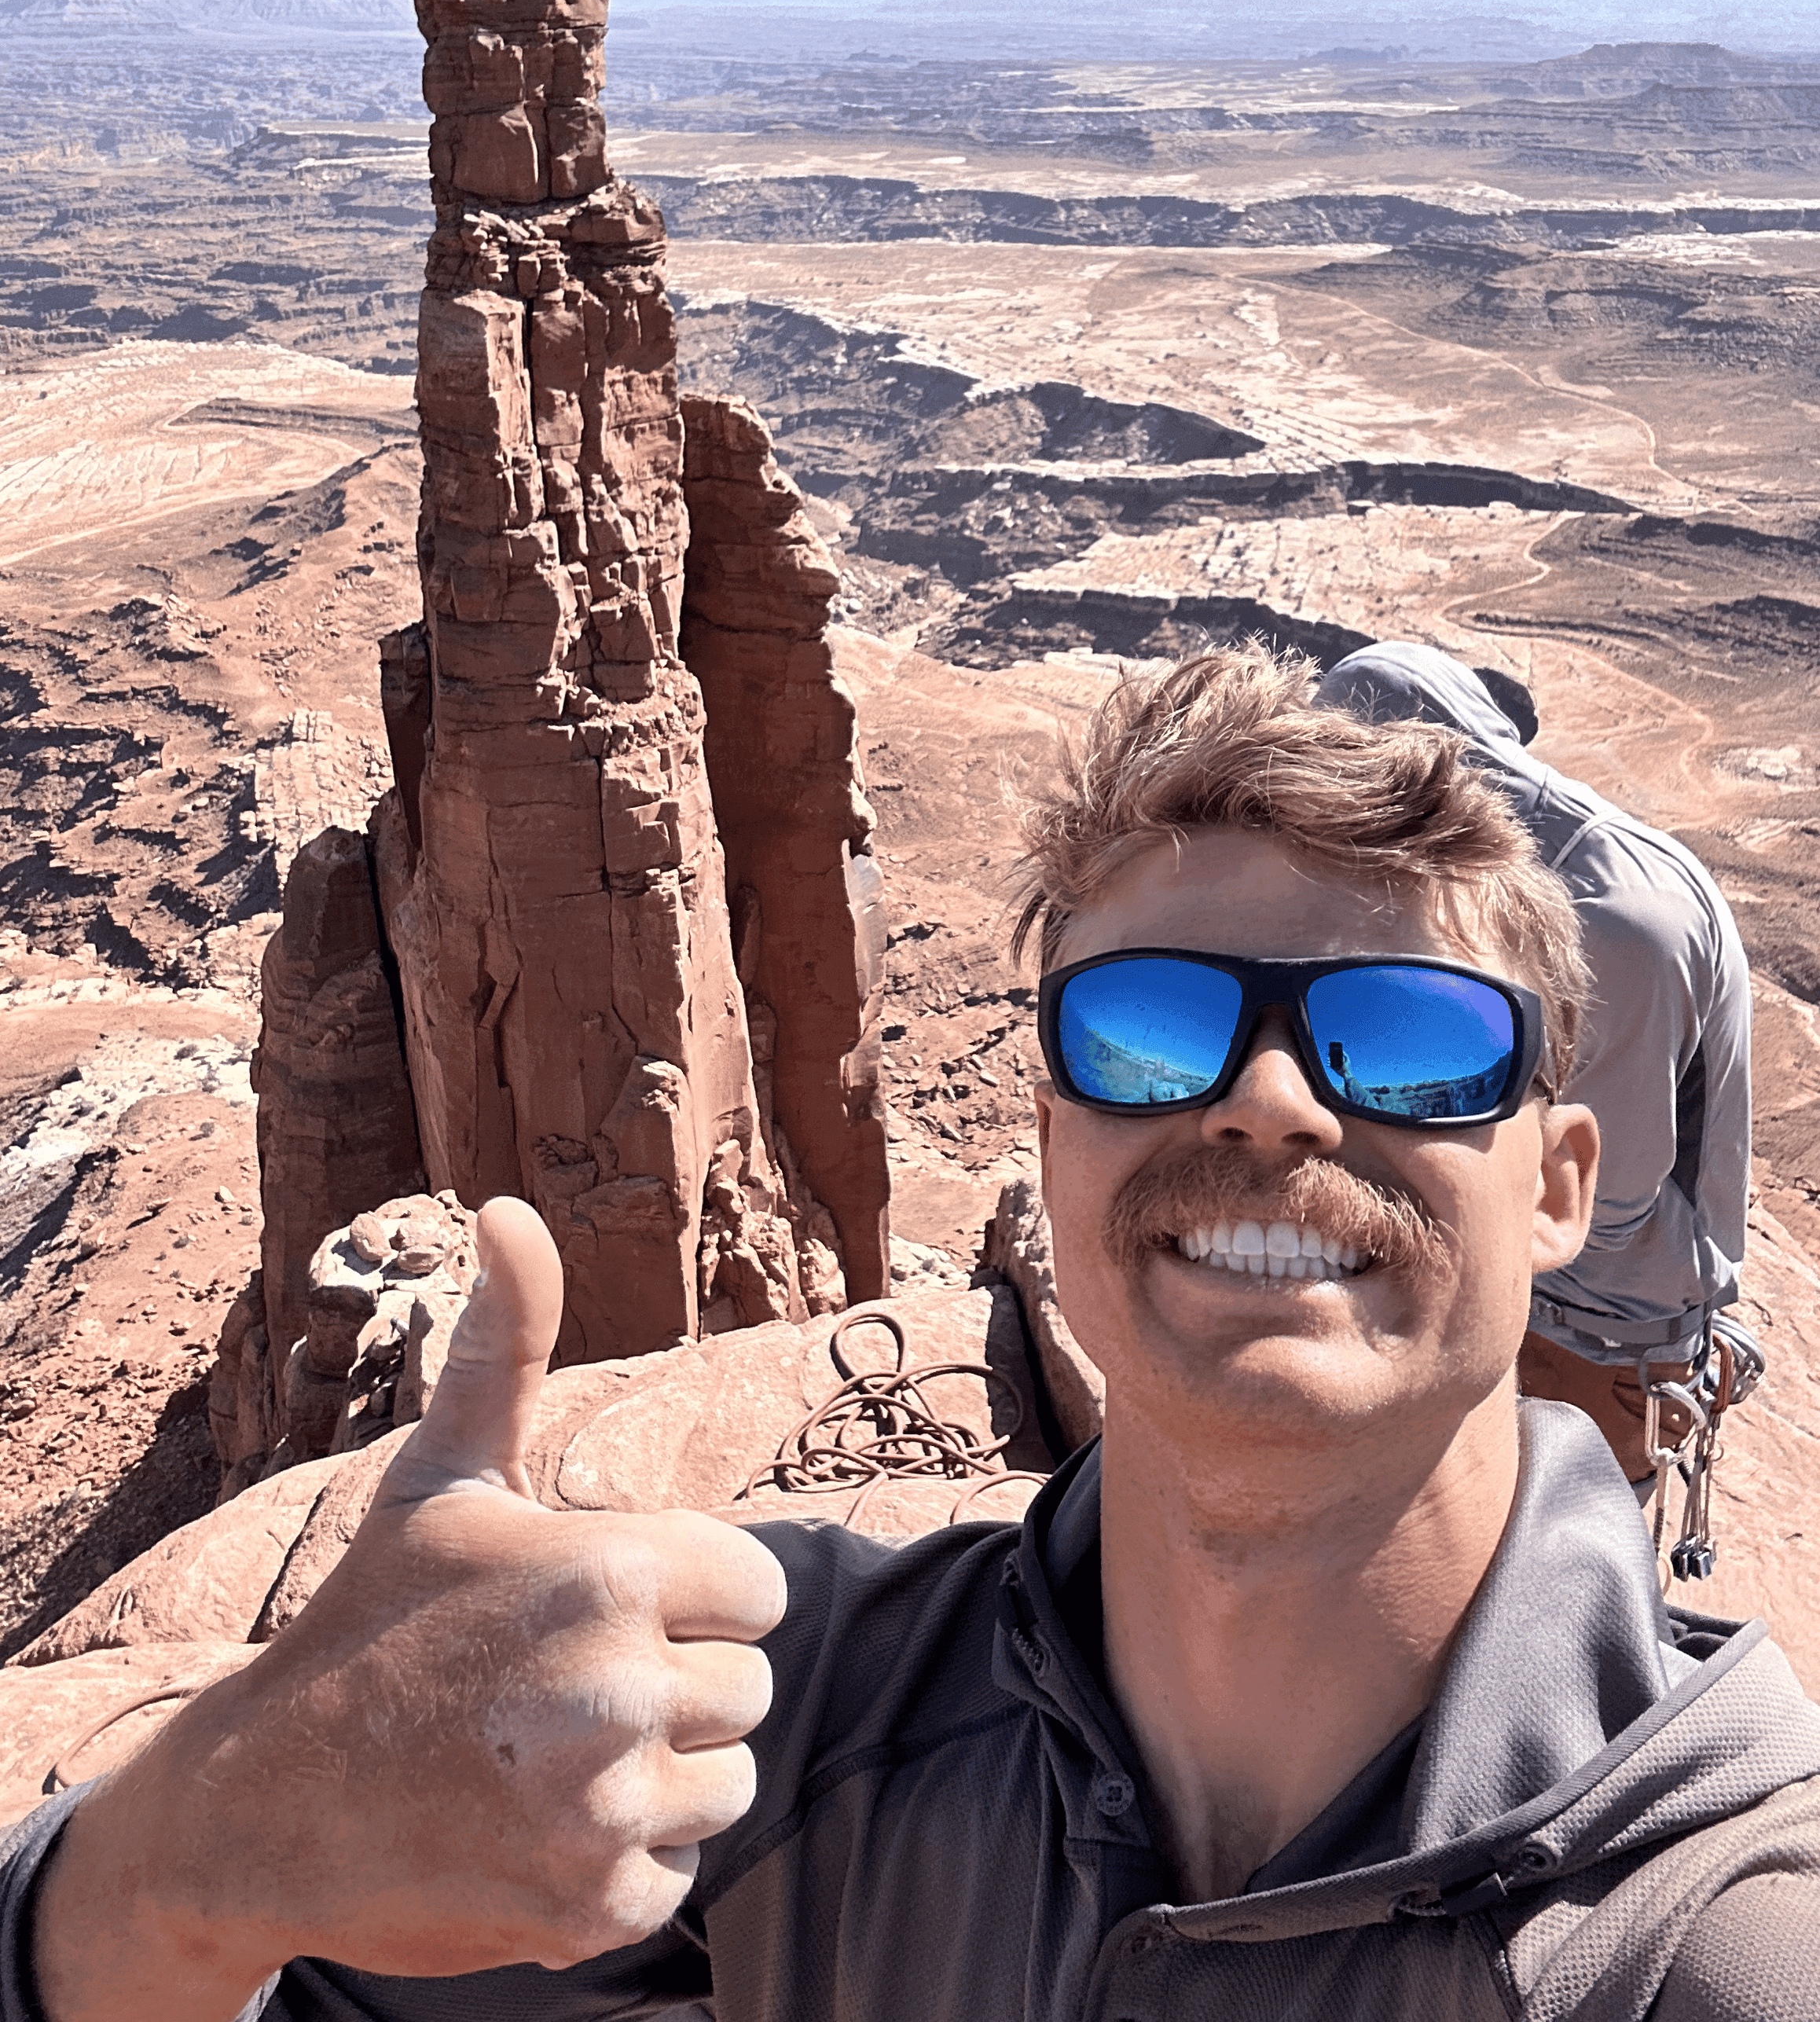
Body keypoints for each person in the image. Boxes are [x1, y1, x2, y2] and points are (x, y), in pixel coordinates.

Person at [7, 646, 1819, 2022]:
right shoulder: (772, 1721)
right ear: (1042, 1146)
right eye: (1148, 1028)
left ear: (1560, 1170)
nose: (1265, 1100)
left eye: (1410, 1037)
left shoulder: (1707, 1934)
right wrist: (190, 1854)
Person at [1312, 641, 1754, 1496]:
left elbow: (1608, 1206)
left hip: (1594, 1338)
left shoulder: (1614, 918)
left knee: (1555, 1576)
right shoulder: (1519, 873)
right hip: (1558, 1309)